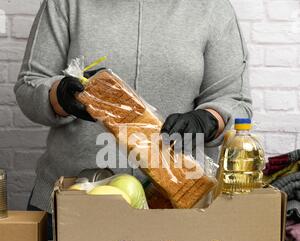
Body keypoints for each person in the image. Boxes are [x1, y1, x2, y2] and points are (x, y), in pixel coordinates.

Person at [15, 0, 252, 216]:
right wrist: (59, 96)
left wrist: (208, 119)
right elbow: (29, 84)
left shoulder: (212, 8)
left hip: (177, 207)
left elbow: (235, 101)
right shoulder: (66, 3)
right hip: (73, 199)